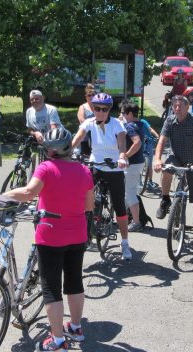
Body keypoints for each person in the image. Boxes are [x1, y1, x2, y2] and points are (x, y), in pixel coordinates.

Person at [3, 128, 94, 351]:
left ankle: (58, 340)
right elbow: (89, 206)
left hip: (50, 235)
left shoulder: (46, 168)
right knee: (74, 281)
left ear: (49, 151)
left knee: (51, 288)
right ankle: (75, 327)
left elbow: (27, 193)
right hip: (77, 234)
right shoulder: (84, 171)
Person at [71, 92, 132, 260]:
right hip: (96, 166)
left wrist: (122, 156)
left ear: (109, 109)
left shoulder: (117, 124)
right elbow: (77, 138)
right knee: (84, 200)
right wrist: (65, 153)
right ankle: (86, 233)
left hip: (114, 169)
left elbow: (122, 142)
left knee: (119, 206)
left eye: (104, 109)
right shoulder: (89, 122)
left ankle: (125, 243)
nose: (100, 112)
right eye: (97, 108)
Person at [153, 95, 193, 240]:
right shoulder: (170, 120)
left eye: (180, 106)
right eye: (175, 106)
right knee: (166, 170)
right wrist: (157, 159)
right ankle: (165, 199)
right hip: (177, 158)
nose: (177, 109)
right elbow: (161, 141)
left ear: (187, 107)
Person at [119, 100, 145, 232]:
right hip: (138, 162)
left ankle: (136, 222)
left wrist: (126, 156)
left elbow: (137, 143)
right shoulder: (139, 124)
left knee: (129, 193)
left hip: (132, 163)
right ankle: (126, 217)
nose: (121, 115)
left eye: (123, 112)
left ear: (129, 114)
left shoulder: (130, 126)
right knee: (128, 192)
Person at [76, 84, 95, 156]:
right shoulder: (82, 107)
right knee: (86, 155)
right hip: (85, 136)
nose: (91, 97)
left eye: (93, 95)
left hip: (96, 135)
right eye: (89, 95)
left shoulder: (98, 107)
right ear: (86, 97)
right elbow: (82, 121)